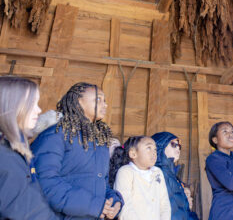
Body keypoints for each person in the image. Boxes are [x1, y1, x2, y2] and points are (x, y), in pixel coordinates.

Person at [31, 82, 123, 220]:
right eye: (98, 99)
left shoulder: (100, 141)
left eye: (105, 100)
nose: (105, 104)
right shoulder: (55, 135)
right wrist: (94, 205)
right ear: (79, 102)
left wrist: (114, 202)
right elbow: (44, 182)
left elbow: (102, 183)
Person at [0, 76, 59, 220]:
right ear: (11, 106)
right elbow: (24, 212)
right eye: (32, 103)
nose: (39, 110)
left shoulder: (16, 151)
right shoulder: (5, 157)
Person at [109, 136, 171, 220]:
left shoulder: (157, 172)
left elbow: (165, 204)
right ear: (133, 154)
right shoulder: (125, 172)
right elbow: (125, 208)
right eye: (148, 148)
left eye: (155, 149)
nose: (154, 152)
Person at [152, 131, 199, 220]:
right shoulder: (157, 173)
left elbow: (182, 210)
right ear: (160, 146)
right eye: (173, 144)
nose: (178, 148)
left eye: (179, 146)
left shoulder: (172, 175)